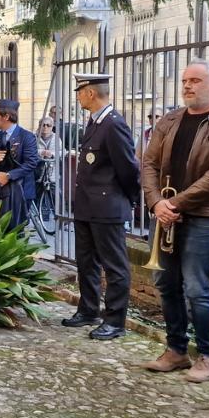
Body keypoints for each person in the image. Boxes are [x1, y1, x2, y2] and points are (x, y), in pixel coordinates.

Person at [139, 59, 209, 383]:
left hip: (205, 216)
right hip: (165, 213)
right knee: (164, 282)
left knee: (196, 286)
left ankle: (208, 357)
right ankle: (176, 350)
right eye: (185, 80)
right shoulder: (170, 120)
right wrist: (157, 202)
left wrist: (172, 202)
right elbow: (148, 163)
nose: (187, 86)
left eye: (196, 81)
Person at [62, 74, 141, 341]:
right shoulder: (94, 123)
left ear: (91, 93)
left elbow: (129, 169)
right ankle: (88, 310)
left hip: (108, 206)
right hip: (87, 205)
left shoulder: (113, 124)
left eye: (80, 92)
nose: (78, 96)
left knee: (114, 266)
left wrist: (126, 200)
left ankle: (115, 321)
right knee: (86, 262)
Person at [0, 99, 39, 231]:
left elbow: (31, 163)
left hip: (21, 190)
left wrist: (9, 176)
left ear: (6, 117)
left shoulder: (26, 137)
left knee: (16, 231)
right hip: (0, 191)